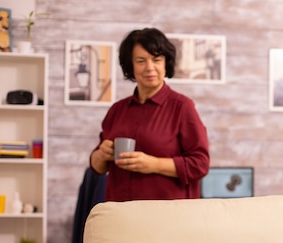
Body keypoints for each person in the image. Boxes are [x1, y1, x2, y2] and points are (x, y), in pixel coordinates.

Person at [90, 28, 210, 201]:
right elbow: (98, 167)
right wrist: (102, 154)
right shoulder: (117, 110)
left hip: (166, 217)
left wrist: (154, 164)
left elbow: (200, 164)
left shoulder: (183, 107)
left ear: (165, 63)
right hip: (120, 214)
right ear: (130, 65)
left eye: (156, 60)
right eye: (141, 60)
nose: (149, 68)